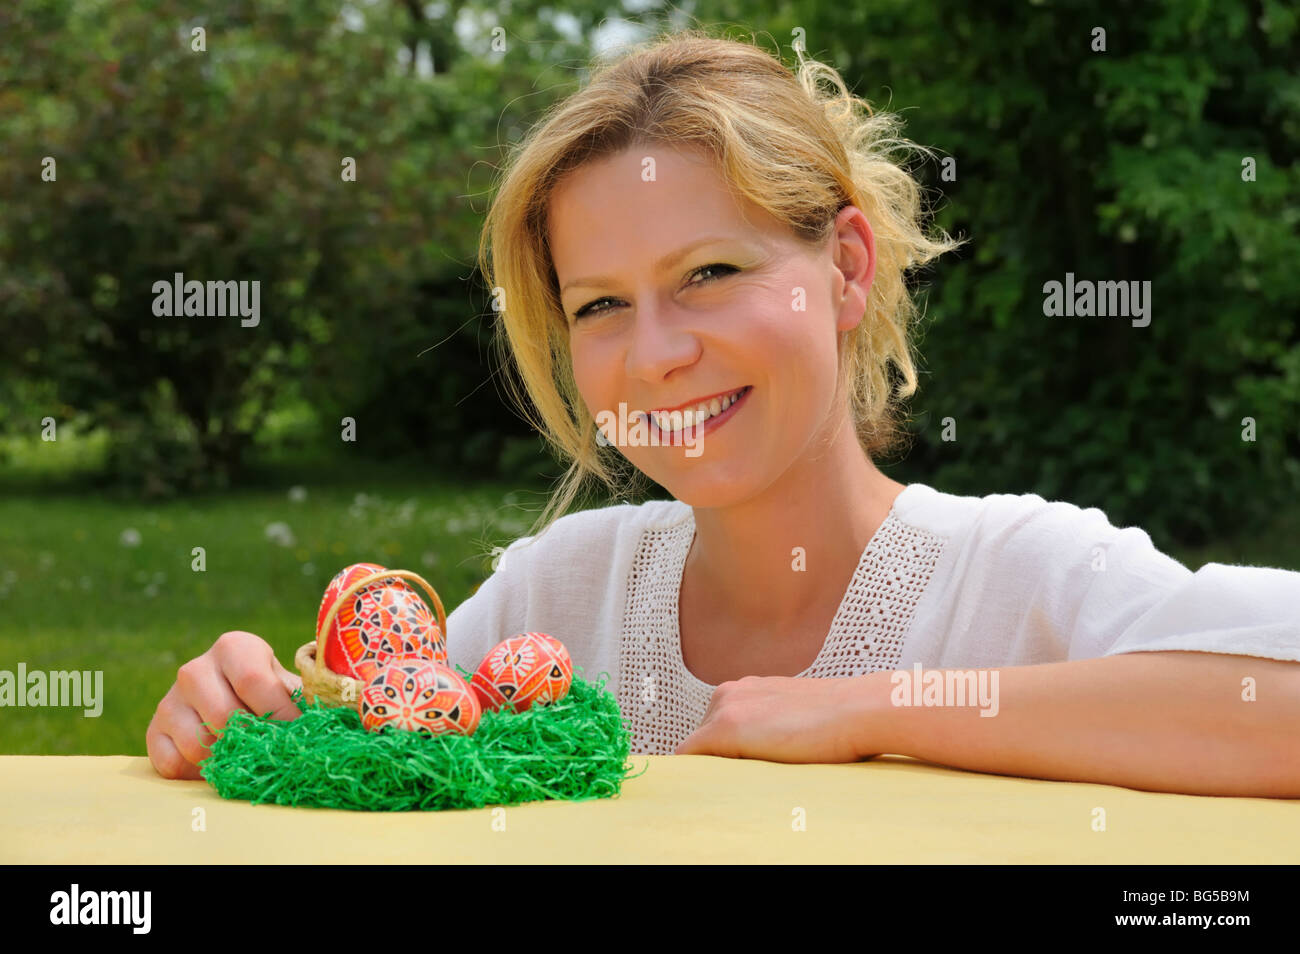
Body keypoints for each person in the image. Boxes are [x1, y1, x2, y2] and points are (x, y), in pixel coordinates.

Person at [148, 29, 1300, 796]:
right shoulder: (562, 590)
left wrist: (874, 711)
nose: (655, 356)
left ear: (846, 267)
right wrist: (238, 705)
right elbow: (366, 750)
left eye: (709, 274)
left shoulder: (1017, 574)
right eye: (600, 304)